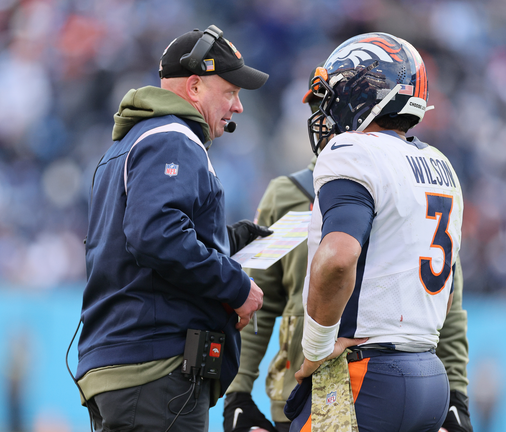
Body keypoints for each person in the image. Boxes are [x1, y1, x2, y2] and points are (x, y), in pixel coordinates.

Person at [224, 64, 474, 432]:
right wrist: (238, 394)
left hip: (353, 378)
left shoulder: (368, 166)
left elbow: (448, 308)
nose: (320, 116)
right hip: (327, 386)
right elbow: (258, 300)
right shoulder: (289, 192)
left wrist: (459, 399)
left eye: (326, 103)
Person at [73, 25, 272, 432]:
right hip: (154, 369)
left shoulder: (130, 143)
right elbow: (156, 235)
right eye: (231, 92)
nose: (238, 107)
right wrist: (234, 286)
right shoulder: (173, 138)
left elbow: (138, 241)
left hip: (127, 366)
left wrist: (227, 240)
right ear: (195, 87)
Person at [285, 32, 465, 432]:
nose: (326, 114)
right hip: (430, 376)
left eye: (331, 100)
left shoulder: (353, 151)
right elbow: (449, 289)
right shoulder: (440, 164)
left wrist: (316, 347)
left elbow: (338, 257)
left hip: (368, 376)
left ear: (362, 93)